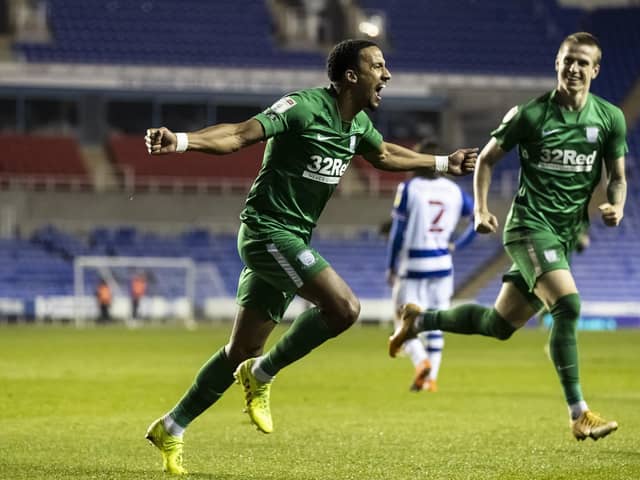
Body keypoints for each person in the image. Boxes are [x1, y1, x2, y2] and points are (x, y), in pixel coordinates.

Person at [143, 39, 477, 474]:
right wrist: (183, 141)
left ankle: (172, 426)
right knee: (344, 308)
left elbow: (386, 154)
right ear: (351, 77)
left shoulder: (356, 126)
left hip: (292, 237)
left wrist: (442, 163)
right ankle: (262, 375)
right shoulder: (302, 107)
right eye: (378, 66)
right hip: (266, 231)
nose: (387, 74)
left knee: (240, 349)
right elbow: (241, 134)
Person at [389, 32, 627, 441]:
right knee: (568, 306)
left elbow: (618, 177)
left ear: (595, 70)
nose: (573, 68)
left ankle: (419, 320)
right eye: (567, 60)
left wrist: (617, 205)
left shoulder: (609, 118)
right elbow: (485, 159)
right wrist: (481, 209)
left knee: (498, 324)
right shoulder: (531, 115)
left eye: (582, 63)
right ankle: (579, 413)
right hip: (529, 227)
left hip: (565, 235)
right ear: (557, 63)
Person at [386, 140, 476, 393]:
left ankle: (420, 361)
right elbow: (477, 218)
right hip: (442, 264)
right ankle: (431, 379)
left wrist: (391, 265)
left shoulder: (409, 187)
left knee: (401, 321)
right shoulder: (454, 190)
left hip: (413, 263)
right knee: (437, 321)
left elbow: (398, 231)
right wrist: (457, 244)